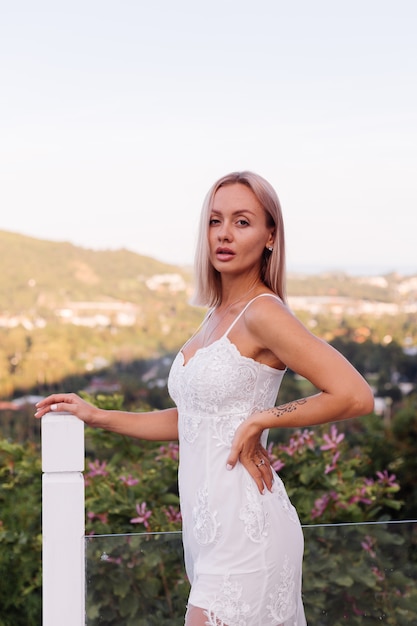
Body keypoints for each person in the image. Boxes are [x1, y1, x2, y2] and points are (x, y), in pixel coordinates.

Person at [35, 171, 374, 626]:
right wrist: (96, 415)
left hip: (247, 530)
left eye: (242, 221)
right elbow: (193, 420)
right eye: (216, 221)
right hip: (207, 532)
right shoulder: (216, 316)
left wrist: (263, 420)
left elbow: (354, 394)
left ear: (270, 235)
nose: (225, 234)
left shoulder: (264, 313)